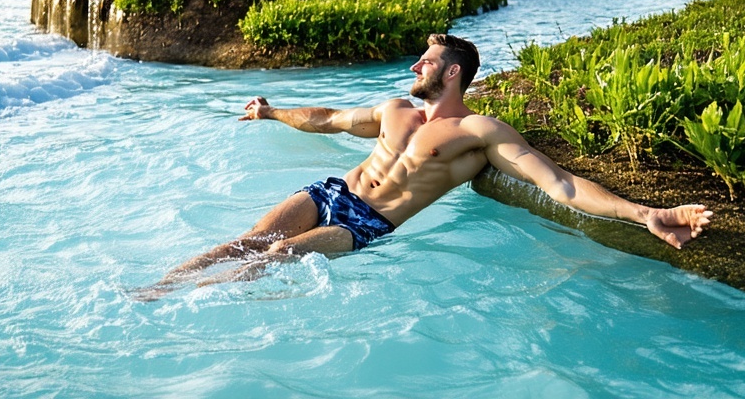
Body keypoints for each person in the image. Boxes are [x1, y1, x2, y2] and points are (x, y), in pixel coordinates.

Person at [147, 33, 711, 293]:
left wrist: (643, 214)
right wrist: (272, 114)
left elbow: (558, 182)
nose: (416, 64)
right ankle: (160, 290)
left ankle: (202, 304)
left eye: (428, 60)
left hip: (365, 223)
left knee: (280, 253)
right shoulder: (393, 110)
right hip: (329, 192)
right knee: (244, 241)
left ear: (453, 73)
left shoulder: (477, 131)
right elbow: (328, 118)